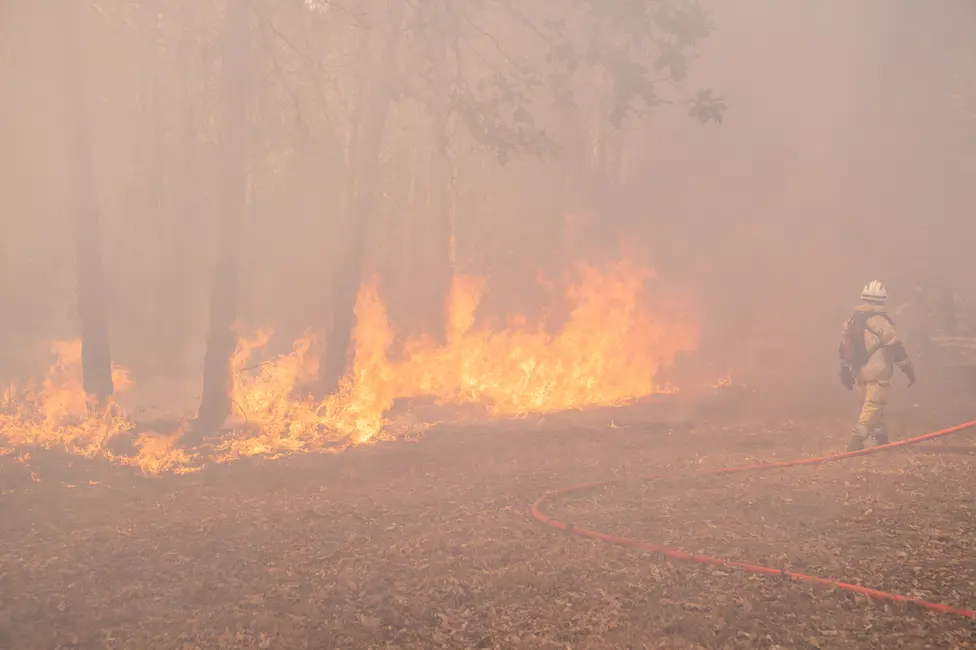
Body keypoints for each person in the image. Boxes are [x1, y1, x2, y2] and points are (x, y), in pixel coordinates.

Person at [838, 281, 916, 451]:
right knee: (873, 405)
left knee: (872, 406)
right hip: (878, 371)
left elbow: (843, 348)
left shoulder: (850, 321)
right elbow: (896, 347)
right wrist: (908, 369)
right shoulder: (882, 322)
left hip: (859, 372)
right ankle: (856, 441)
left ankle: (881, 438)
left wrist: (844, 371)